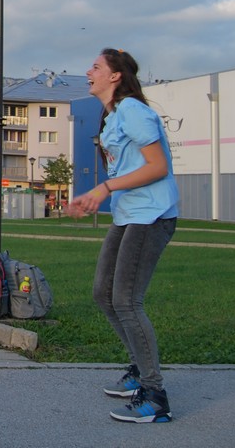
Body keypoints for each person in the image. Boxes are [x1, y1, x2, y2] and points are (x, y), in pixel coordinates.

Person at [67, 49, 178, 424]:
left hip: (152, 215)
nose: (88, 71)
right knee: (104, 293)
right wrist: (95, 197)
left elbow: (158, 167)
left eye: (96, 67)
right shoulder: (113, 116)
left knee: (127, 301)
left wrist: (104, 188)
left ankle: (155, 395)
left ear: (115, 76)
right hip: (129, 214)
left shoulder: (133, 110)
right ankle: (138, 370)